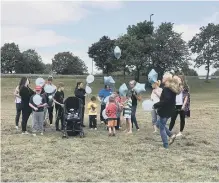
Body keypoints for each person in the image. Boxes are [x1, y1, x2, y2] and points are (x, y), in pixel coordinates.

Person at [153, 73, 181, 149]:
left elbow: (166, 101)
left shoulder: (167, 89)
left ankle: (165, 146)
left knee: (161, 128)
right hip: (170, 110)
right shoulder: (171, 88)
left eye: (163, 77)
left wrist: (156, 105)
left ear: (166, 79)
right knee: (158, 124)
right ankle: (171, 135)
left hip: (164, 111)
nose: (162, 78)